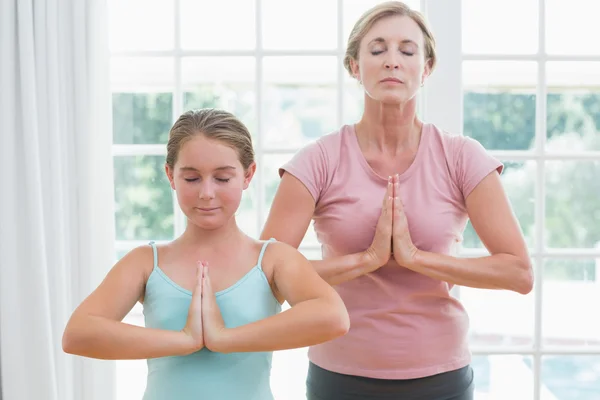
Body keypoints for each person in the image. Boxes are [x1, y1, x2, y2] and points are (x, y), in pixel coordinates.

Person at [260, 2, 534, 399]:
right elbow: (266, 274)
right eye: (377, 50)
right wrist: (365, 260)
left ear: (426, 69)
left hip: (441, 376)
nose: (392, 61)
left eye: (407, 51)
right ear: (354, 67)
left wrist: (415, 258)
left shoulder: (461, 156)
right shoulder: (319, 159)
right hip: (339, 374)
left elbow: (519, 273)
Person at [62, 108, 350, 400]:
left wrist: (223, 338)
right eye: (191, 178)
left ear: (248, 174)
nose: (207, 193)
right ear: (170, 175)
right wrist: (184, 340)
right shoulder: (145, 263)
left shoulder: (273, 259)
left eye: (223, 178)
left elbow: (333, 317)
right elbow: (78, 333)